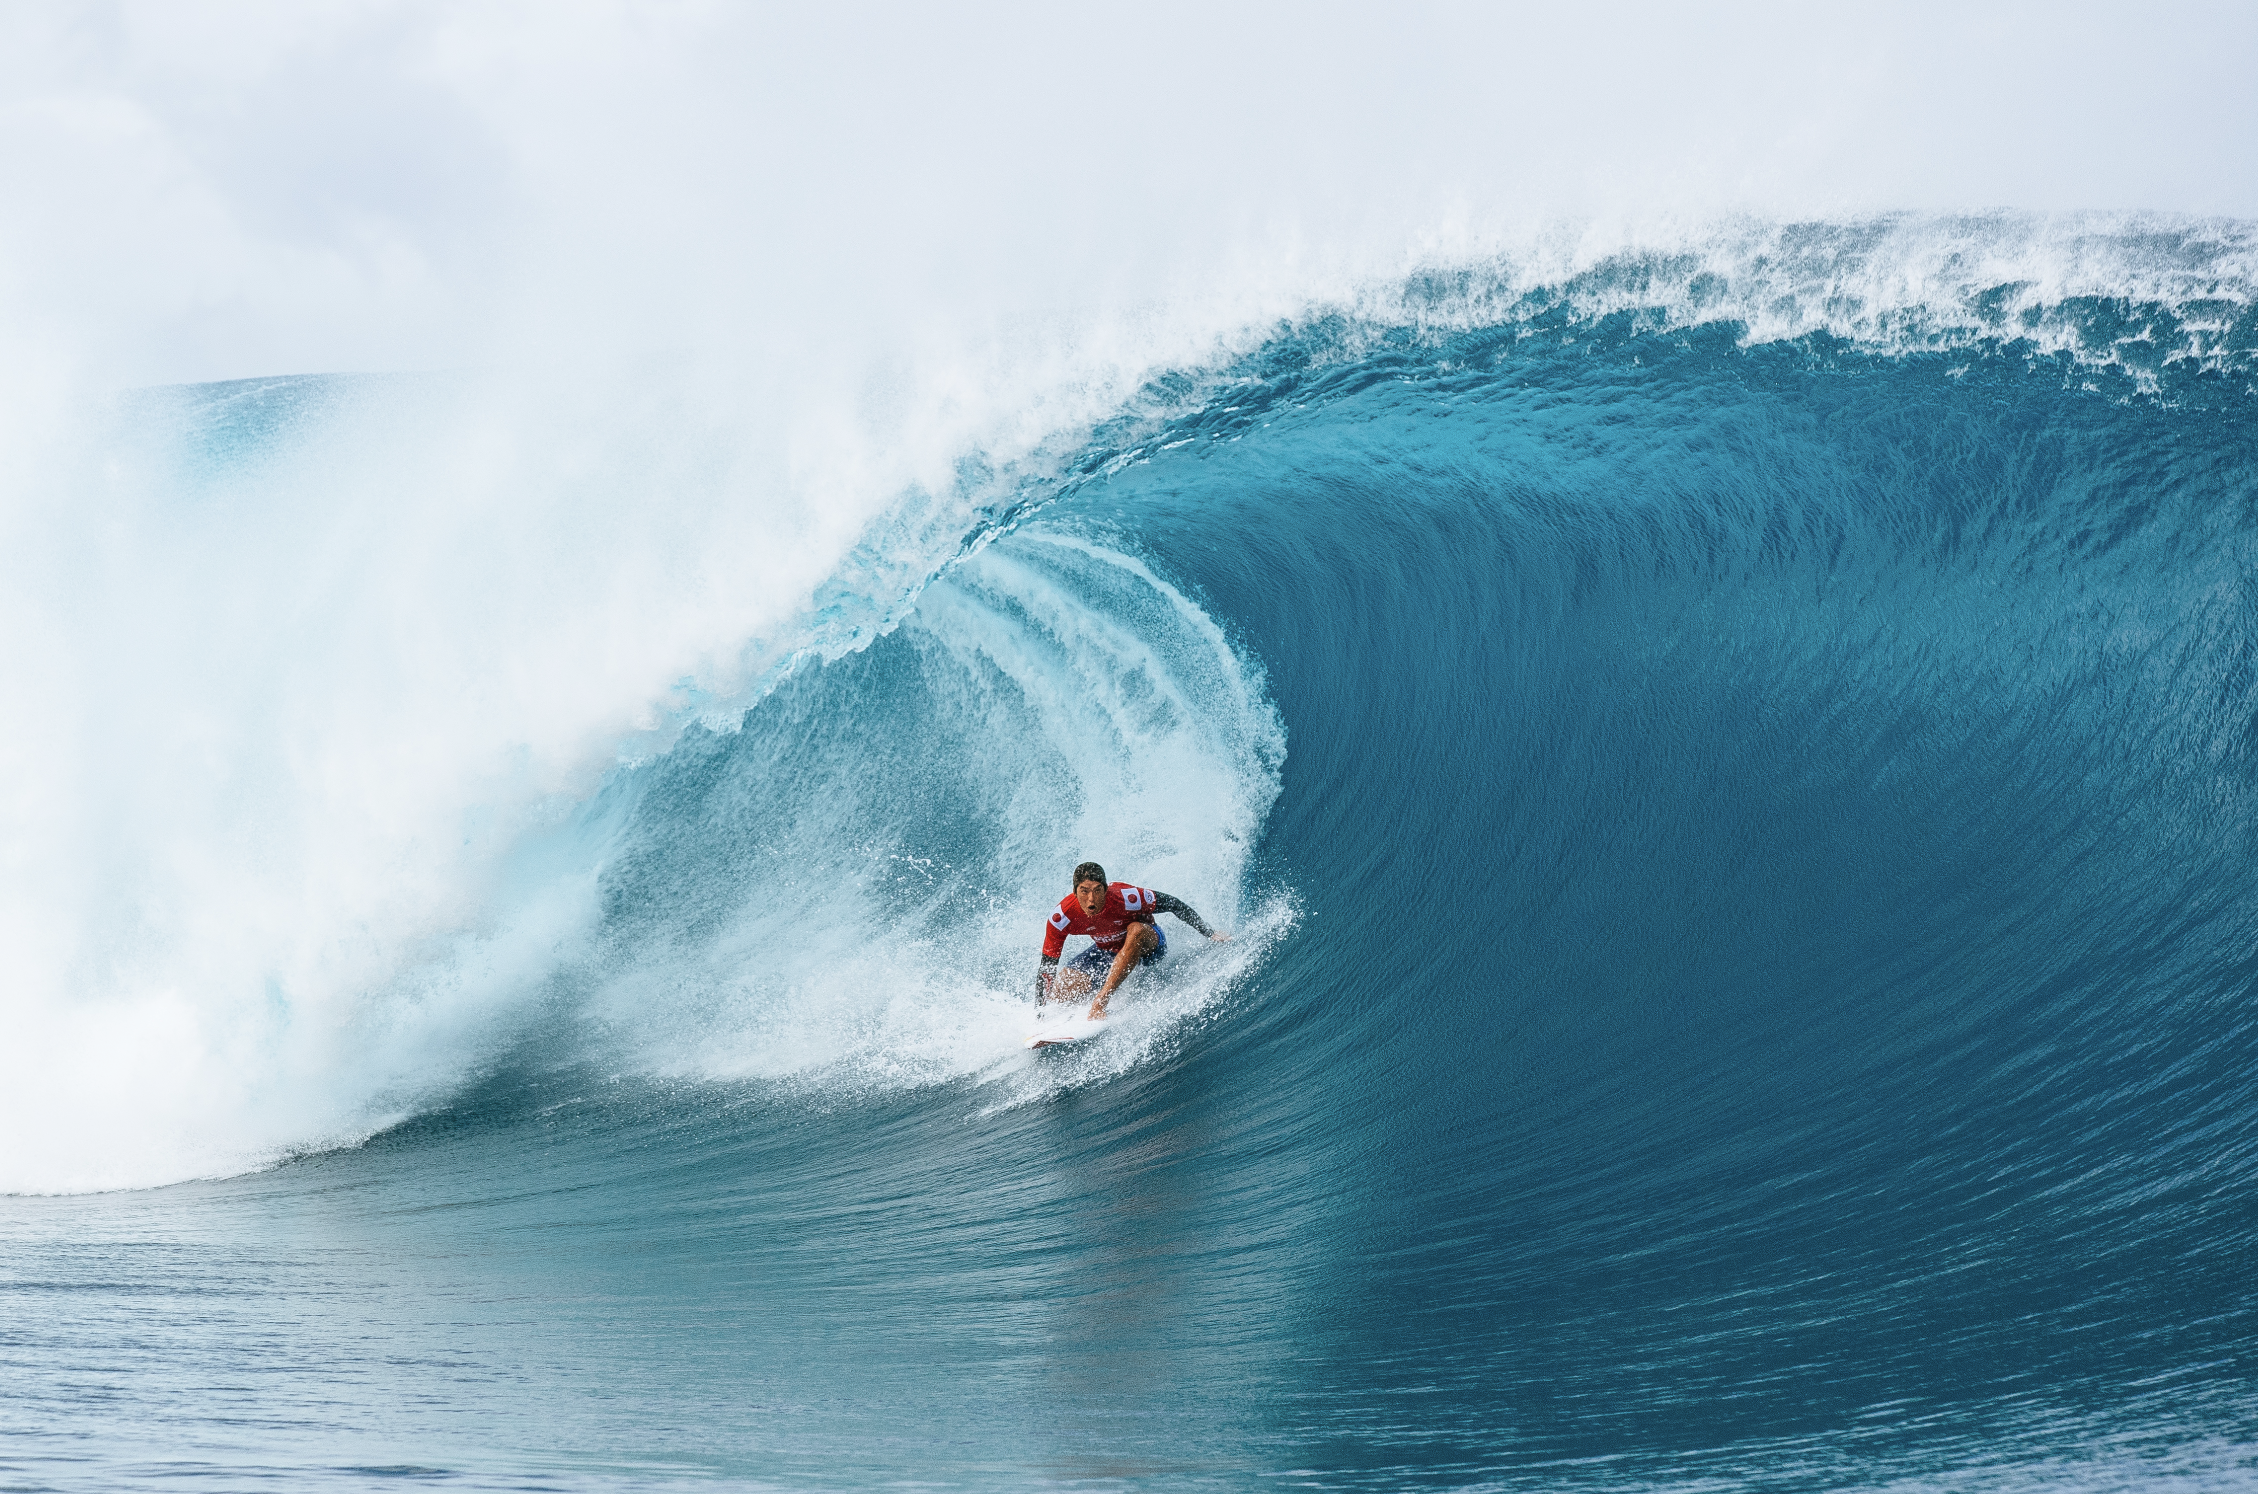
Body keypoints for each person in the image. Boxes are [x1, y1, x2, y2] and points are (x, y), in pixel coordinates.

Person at [1036, 860, 1228, 1020]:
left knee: (1134, 929)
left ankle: (1100, 1002)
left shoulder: (1126, 897)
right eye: (1084, 891)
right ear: (1074, 892)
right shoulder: (1062, 917)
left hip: (1148, 947)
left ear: (1105, 888)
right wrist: (1039, 1015)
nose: (1091, 899)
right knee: (1060, 990)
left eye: (1097, 890)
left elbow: (1174, 904)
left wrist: (1209, 932)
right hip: (1107, 951)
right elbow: (1047, 968)